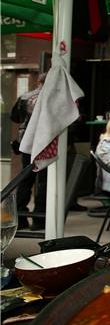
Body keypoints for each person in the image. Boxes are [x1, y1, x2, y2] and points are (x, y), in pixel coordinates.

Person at [10, 73, 46, 229]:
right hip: (45, 141)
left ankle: (20, 218)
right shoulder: (51, 97)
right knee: (44, 181)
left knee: (25, 179)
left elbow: (15, 117)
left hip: (26, 141)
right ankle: (40, 220)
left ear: (38, 81)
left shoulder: (25, 96)